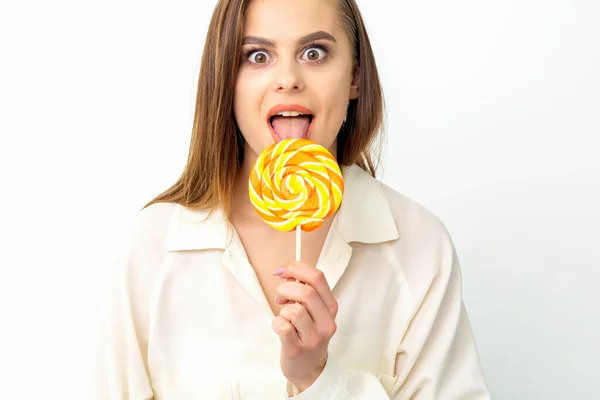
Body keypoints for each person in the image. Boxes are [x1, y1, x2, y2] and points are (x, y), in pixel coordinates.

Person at [96, 0, 491, 398]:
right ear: (226, 81)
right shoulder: (151, 248)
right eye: (258, 55)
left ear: (355, 77)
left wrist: (318, 379)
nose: (288, 79)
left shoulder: (418, 245)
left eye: (314, 53)